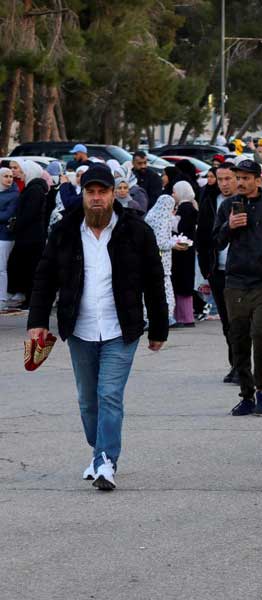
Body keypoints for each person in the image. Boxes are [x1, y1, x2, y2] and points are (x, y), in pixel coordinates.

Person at [26, 164, 168, 491]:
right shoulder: (64, 231)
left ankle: (106, 460)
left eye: (102, 192)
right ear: (83, 194)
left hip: (122, 328)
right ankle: (98, 449)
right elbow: (44, 278)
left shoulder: (136, 230)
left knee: (110, 395)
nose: (96, 199)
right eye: (90, 193)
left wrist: (159, 327)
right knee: (88, 400)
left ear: (113, 193)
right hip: (80, 329)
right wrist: (36, 322)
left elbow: (154, 280)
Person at [214, 160, 262, 416]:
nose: (242, 182)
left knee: (260, 334)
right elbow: (216, 240)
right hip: (235, 284)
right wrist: (229, 226)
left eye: (247, 178)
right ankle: (247, 395)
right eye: (239, 177)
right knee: (239, 339)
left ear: (259, 179)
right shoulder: (227, 207)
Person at [196, 164, 237, 383]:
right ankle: (236, 364)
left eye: (228, 178)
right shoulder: (210, 201)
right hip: (218, 269)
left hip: (243, 271)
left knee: (244, 322)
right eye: (219, 179)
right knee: (227, 322)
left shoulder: (248, 201)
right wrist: (206, 269)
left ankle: (246, 365)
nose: (224, 183)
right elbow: (202, 237)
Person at [7, 160, 49, 310]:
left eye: (23, 172)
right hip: (29, 235)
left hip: (31, 237)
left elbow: (29, 213)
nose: (20, 175)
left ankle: (30, 299)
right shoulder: (33, 188)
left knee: (30, 268)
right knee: (26, 267)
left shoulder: (35, 190)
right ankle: (27, 297)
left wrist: (16, 225)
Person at [144, 195, 177, 323]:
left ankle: (147, 316)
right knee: (165, 289)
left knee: (149, 289)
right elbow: (161, 242)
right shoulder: (163, 218)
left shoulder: (151, 215)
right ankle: (167, 317)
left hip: (149, 259)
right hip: (162, 261)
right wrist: (175, 244)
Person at [171, 181, 198, 328]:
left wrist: (171, 218)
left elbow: (180, 227)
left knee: (181, 282)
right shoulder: (190, 206)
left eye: (174, 192)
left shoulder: (185, 208)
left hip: (182, 250)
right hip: (186, 250)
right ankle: (185, 315)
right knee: (184, 281)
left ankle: (184, 317)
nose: (173, 195)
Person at [0, 167, 19, 310]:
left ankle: (2, 299)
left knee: (1, 269)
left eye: (11, 176)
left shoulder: (14, 194)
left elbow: (7, 215)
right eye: (6, 176)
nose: (9, 179)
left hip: (5, 236)